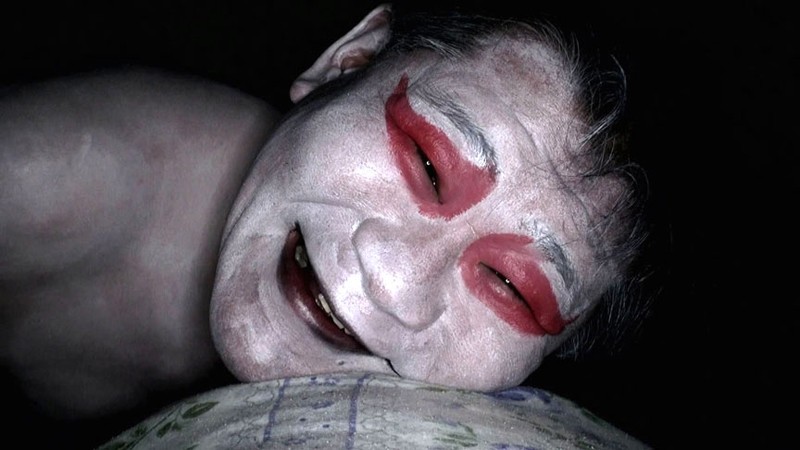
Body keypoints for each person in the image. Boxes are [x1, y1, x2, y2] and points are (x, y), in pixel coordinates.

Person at [1, 2, 648, 447]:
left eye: (512, 287)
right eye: (427, 161)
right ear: (348, 60)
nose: (396, 283)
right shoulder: (39, 180)